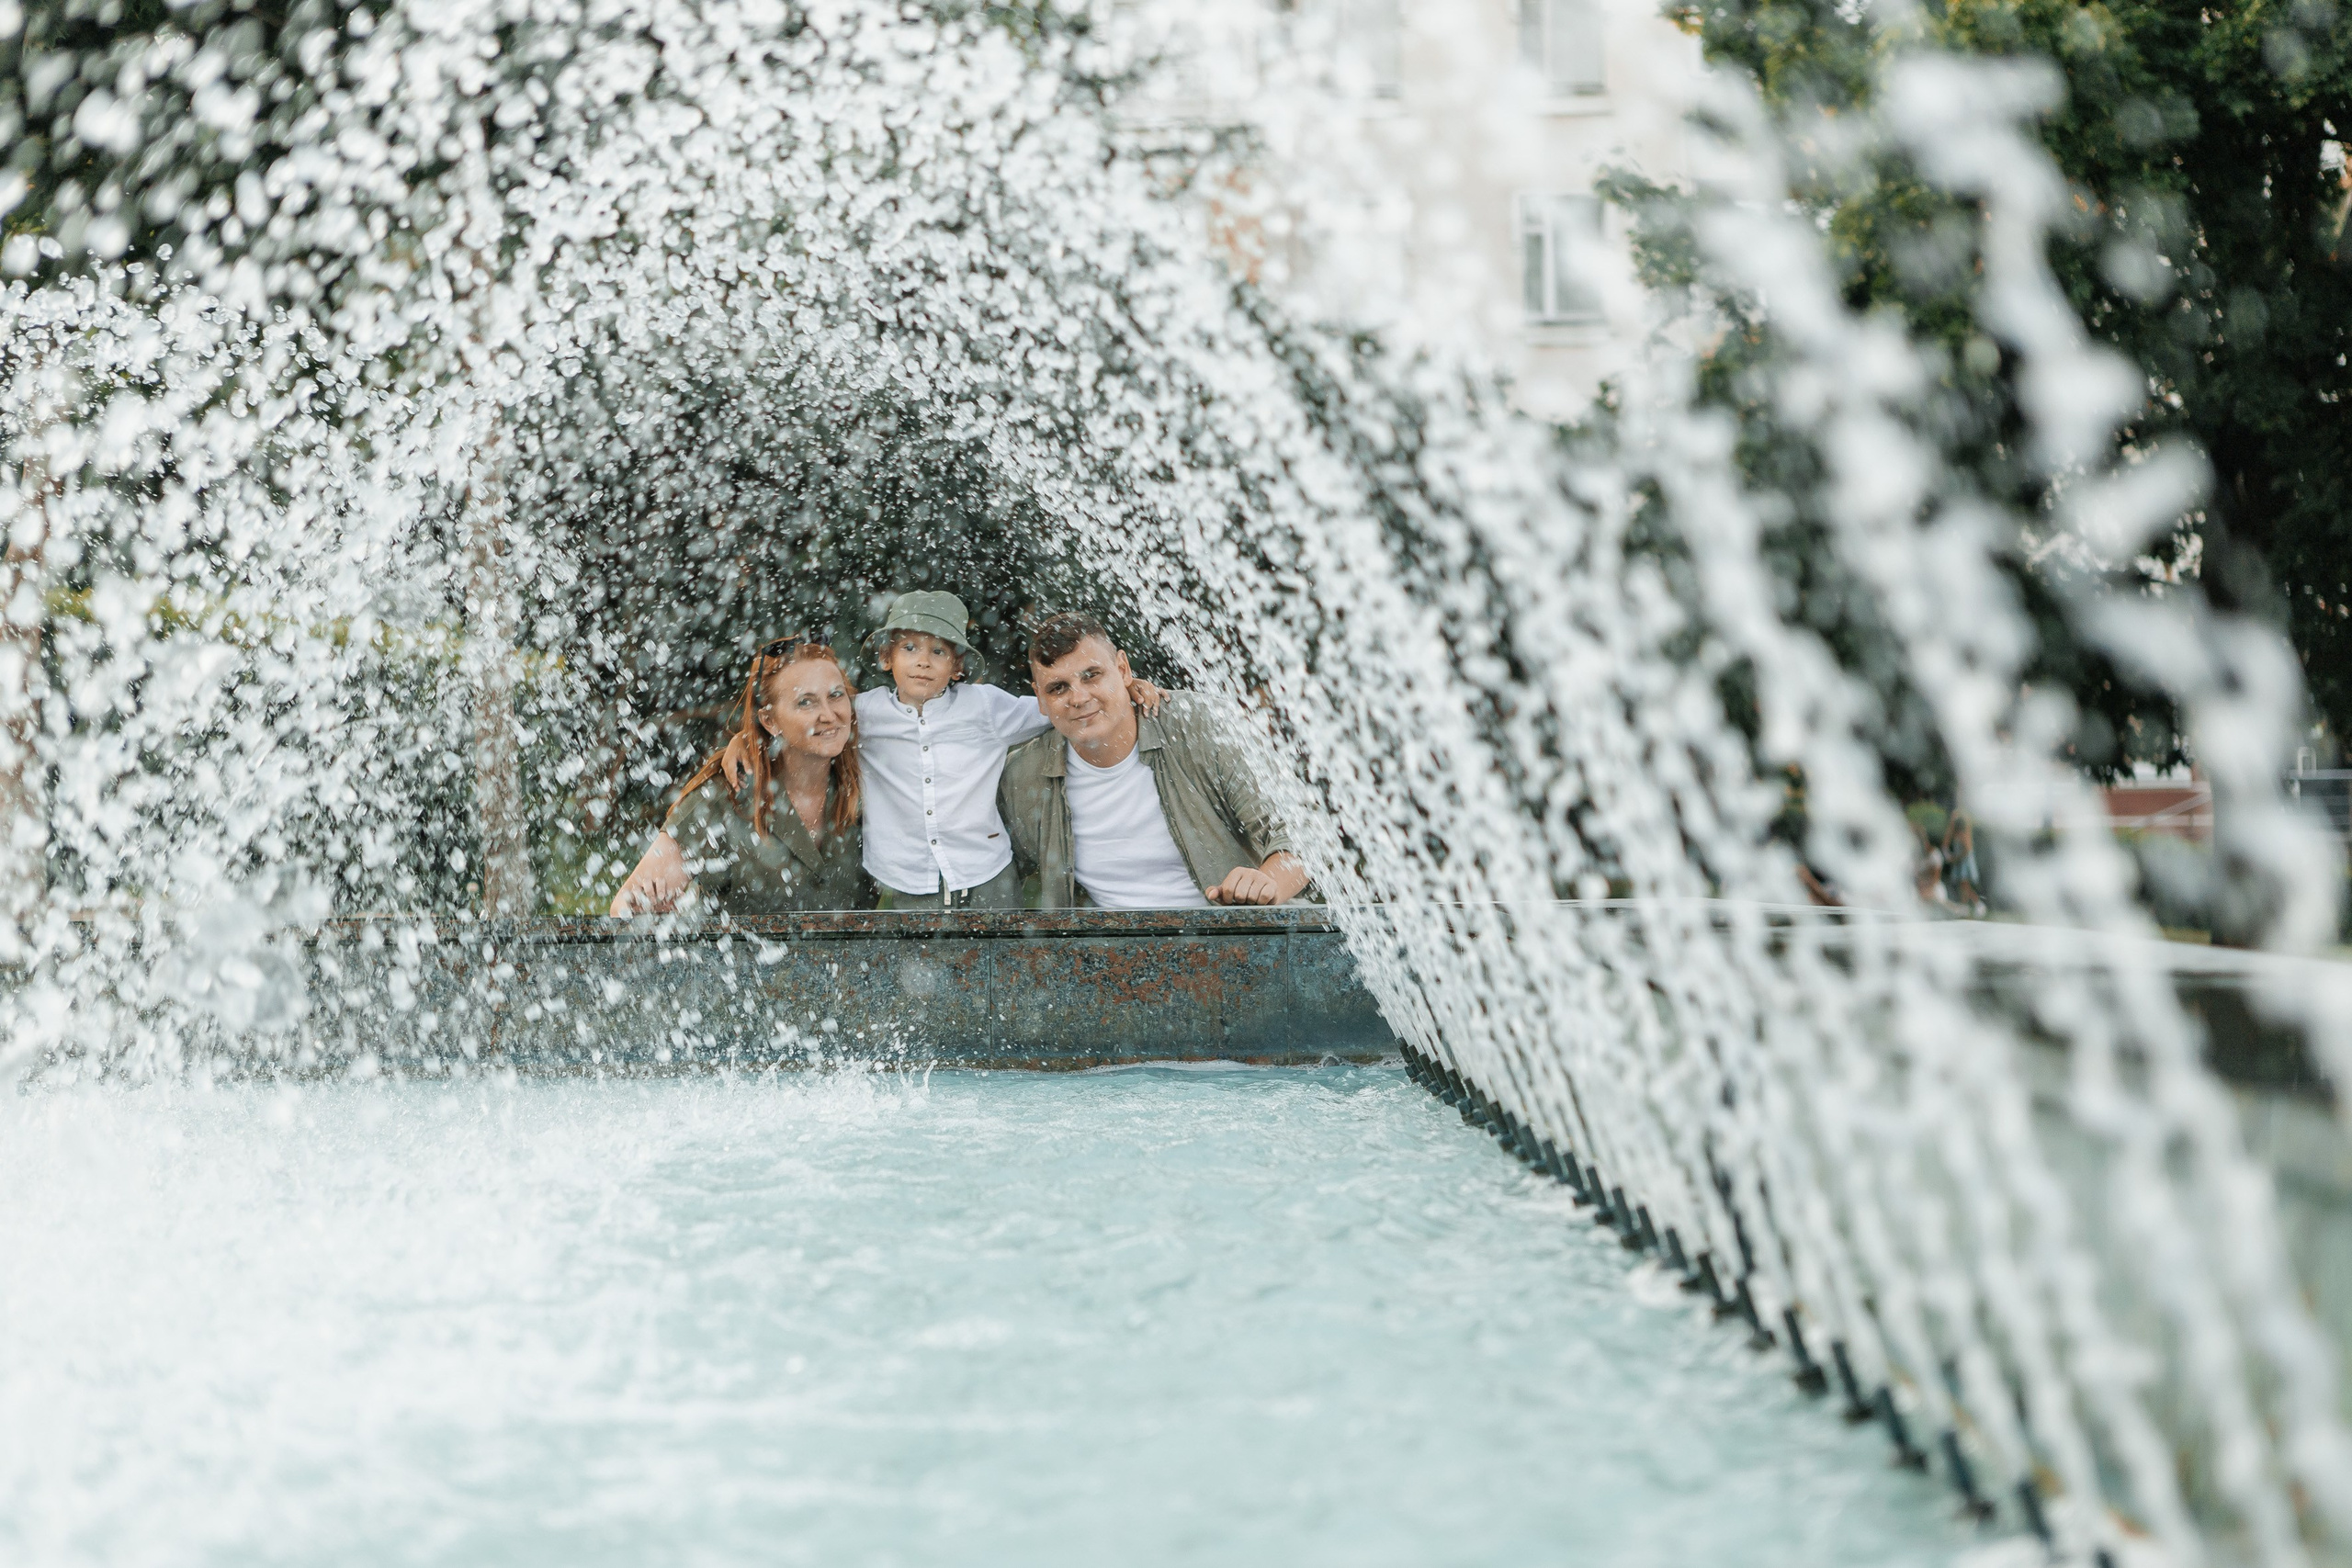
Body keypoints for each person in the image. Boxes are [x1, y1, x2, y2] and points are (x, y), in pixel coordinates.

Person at [854, 591, 1158, 910]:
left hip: (987, 872)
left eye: (939, 651)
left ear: (957, 665)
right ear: (887, 657)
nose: (923, 661)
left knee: (1001, 955)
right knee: (916, 959)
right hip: (906, 877)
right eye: (909, 648)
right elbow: (817, 726)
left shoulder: (983, 707)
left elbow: (1057, 708)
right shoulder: (864, 715)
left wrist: (1126, 689)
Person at [999, 612, 1309, 909]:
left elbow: (1302, 838)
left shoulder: (1200, 727)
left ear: (1122, 669)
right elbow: (989, 864)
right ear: (1040, 698)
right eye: (1058, 688)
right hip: (1110, 956)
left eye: (1091, 676)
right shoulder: (1024, 776)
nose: (1078, 698)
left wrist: (1267, 885)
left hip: (1235, 944)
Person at [609, 637, 873, 916]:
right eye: (806, 702)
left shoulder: (872, 785)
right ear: (770, 721)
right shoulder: (722, 800)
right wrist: (652, 917)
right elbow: (624, 908)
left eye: (835, 695)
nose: (829, 715)